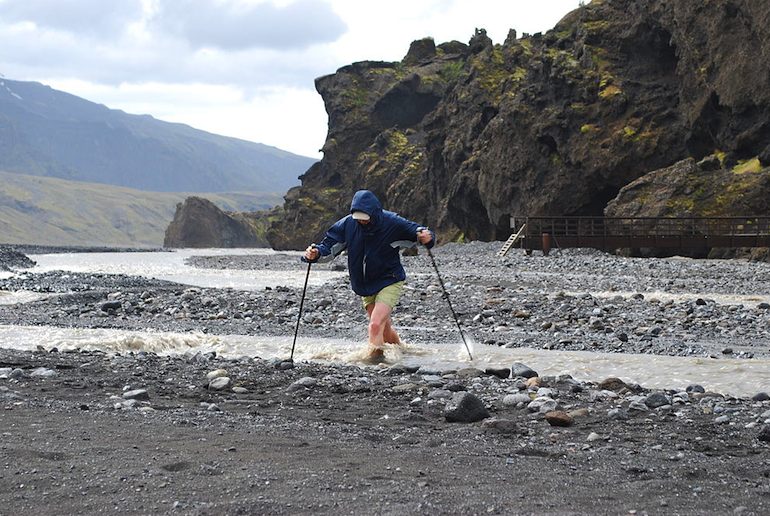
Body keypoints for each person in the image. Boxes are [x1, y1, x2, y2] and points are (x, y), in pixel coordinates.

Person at [304, 189, 435, 361]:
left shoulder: (391, 222)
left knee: (374, 325)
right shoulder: (348, 224)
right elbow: (328, 246)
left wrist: (426, 236)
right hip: (365, 284)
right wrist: (315, 254)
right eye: (357, 218)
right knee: (384, 329)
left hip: (390, 279)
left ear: (374, 213)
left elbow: (416, 231)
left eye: (364, 219)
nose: (361, 222)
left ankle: (375, 363)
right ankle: (404, 352)